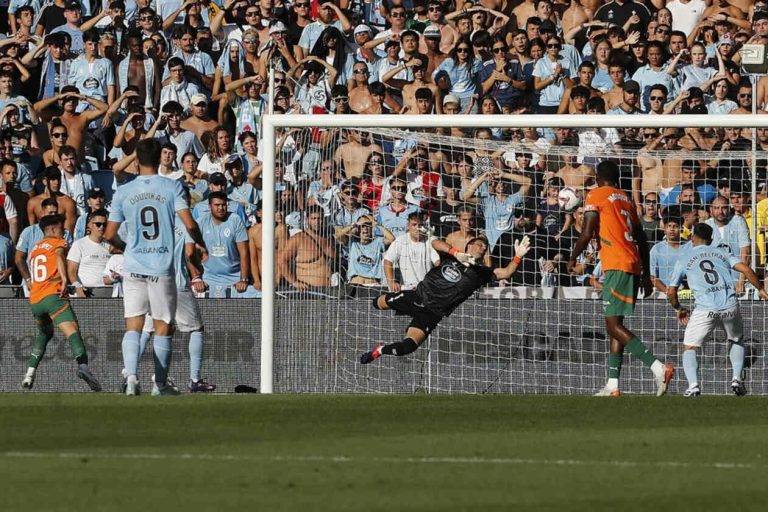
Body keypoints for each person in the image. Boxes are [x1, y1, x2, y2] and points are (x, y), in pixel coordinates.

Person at [105, 138, 207, 396]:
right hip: (161, 267)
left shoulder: (124, 191)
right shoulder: (172, 187)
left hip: (134, 266)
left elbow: (108, 235)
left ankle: (131, 378)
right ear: (161, 157)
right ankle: (160, 385)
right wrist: (200, 241)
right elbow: (190, 224)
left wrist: (125, 245)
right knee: (163, 326)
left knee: (134, 326)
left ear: (137, 159)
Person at [568, 160, 675, 397]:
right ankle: (613, 385)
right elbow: (642, 239)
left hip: (616, 264)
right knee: (615, 326)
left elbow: (586, 232)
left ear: (598, 177)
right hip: (632, 263)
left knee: (613, 325)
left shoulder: (596, 195)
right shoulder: (625, 198)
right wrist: (646, 275)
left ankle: (659, 368)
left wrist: (572, 258)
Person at [359, 234, 531, 364]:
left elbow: (506, 272)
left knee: (409, 346)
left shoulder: (482, 273)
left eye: (485, 247)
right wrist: (455, 252)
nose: (483, 248)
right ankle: (386, 300)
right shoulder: (449, 257)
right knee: (377, 303)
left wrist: (518, 256)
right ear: (469, 246)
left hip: (433, 313)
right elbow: (433, 242)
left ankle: (380, 350)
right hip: (417, 296)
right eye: (480, 244)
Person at [667, 222, 768, 397]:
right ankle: (736, 378)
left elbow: (671, 291)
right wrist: (760, 288)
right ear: (711, 239)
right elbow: (745, 268)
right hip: (729, 306)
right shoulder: (722, 252)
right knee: (736, 340)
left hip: (705, 309)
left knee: (690, 347)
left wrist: (678, 308)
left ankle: (693, 386)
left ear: (692, 238)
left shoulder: (684, 258)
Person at [22, 214, 101, 391]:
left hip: (35, 300)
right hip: (53, 296)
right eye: (60, 228)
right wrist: (65, 279)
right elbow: (58, 256)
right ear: (51, 229)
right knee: (72, 330)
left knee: (44, 333)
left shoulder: (35, 249)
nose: (64, 232)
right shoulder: (59, 243)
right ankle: (83, 366)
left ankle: (29, 373)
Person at [198, 191, 256, 297]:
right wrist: (197, 278)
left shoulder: (235, 220)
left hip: (234, 279)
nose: (221, 208)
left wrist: (243, 279)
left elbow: (244, 252)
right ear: (209, 206)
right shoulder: (201, 222)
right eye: (217, 205)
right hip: (209, 279)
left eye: (223, 205)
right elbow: (192, 251)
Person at [383, 211, 440, 291]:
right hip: (407, 289)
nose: (418, 228)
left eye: (420, 225)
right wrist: (391, 282)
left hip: (426, 288)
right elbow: (388, 261)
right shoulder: (400, 241)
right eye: (414, 225)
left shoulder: (430, 240)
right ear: (408, 226)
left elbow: (438, 262)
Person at [66, 208, 111, 296]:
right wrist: (77, 285)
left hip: (110, 291)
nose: (101, 227)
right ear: (90, 225)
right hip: (87, 292)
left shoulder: (112, 245)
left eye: (104, 224)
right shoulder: (79, 244)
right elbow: (71, 270)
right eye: (98, 224)